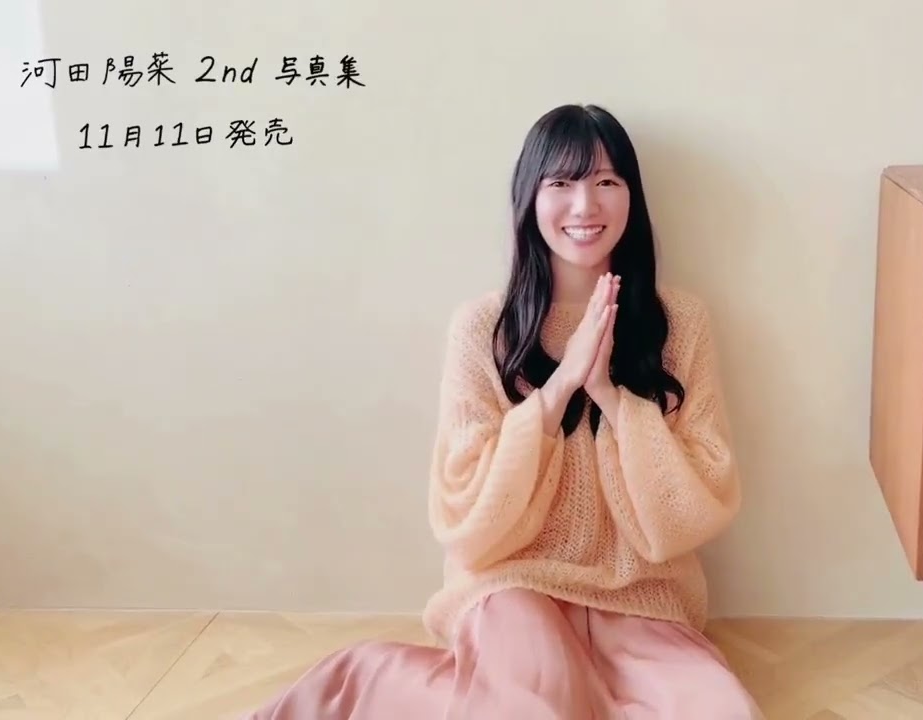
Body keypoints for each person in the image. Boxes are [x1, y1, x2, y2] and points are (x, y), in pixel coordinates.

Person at [243, 103, 760, 719]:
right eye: (561, 182)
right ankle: (362, 682)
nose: (584, 205)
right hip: (516, 586)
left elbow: (698, 503)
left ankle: (381, 685)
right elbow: (466, 518)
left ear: (632, 195)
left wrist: (610, 395)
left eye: (606, 181)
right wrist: (559, 389)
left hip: (643, 596)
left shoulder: (680, 322)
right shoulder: (483, 328)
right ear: (529, 196)